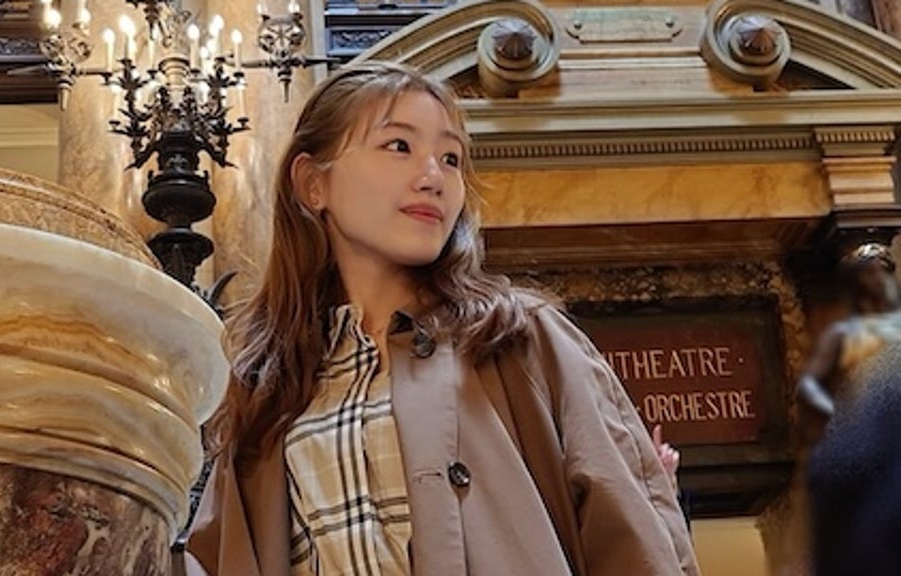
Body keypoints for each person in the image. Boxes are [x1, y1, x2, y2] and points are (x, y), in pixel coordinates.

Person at [184, 61, 698, 576]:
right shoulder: (266, 390)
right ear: (313, 183)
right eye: (399, 146)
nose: (434, 177)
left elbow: (636, 539)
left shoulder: (521, 337)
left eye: (450, 158)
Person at [802, 243, 901, 575]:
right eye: (869, 273)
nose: (877, 280)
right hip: (863, 445)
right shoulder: (843, 335)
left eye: (882, 272)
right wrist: (838, 412)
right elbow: (810, 384)